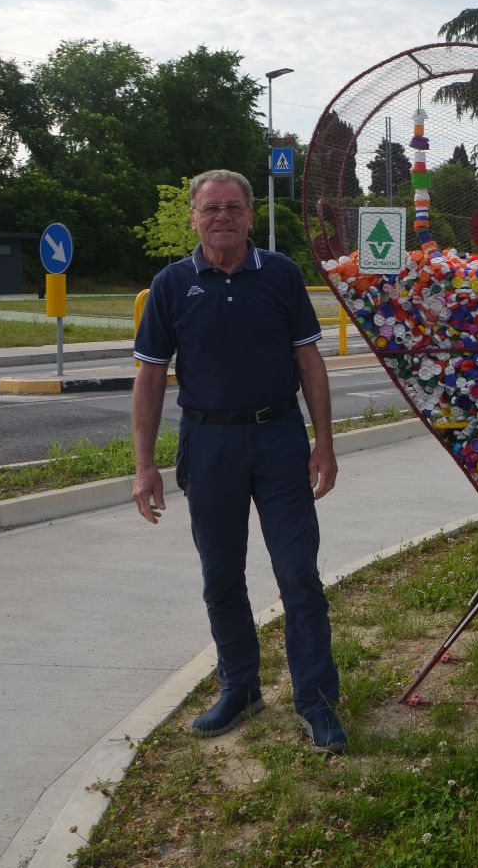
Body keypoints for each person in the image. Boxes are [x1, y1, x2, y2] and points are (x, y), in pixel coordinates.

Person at [131, 169, 346, 753]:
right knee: (221, 576)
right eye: (211, 209)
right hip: (209, 446)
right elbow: (150, 378)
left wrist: (323, 442)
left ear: (251, 215)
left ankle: (317, 701)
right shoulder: (171, 285)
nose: (222, 217)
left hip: (277, 440)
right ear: (194, 218)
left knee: (298, 573)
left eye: (233, 208)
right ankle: (241, 688)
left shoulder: (280, 275)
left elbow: (310, 364)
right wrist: (144, 464)